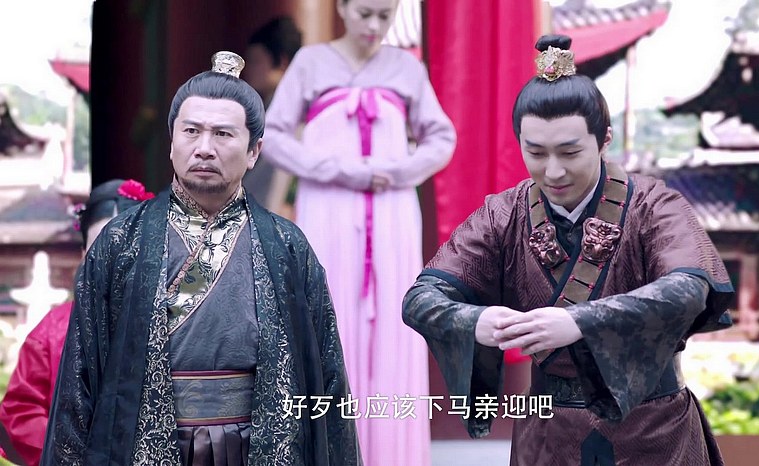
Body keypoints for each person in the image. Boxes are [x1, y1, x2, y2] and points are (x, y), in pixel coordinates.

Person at [402, 35, 735, 466]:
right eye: (536, 152)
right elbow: (421, 299)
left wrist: (580, 321)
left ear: (604, 139)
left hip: (653, 430)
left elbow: (688, 289)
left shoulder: (655, 206)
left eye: (570, 152)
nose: (553, 171)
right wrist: (476, 321)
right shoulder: (503, 214)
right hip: (547, 432)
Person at [42, 51, 360, 466]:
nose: (204, 148)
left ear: (254, 151)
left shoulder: (287, 246)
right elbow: (79, 377)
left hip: (257, 444)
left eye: (223, 134)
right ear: (172, 141)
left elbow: (327, 374)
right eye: (191, 131)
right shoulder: (121, 242)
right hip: (144, 445)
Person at [261, 1, 456, 465]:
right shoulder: (310, 63)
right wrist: (333, 168)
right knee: (326, 314)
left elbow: (441, 137)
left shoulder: (407, 68)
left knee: (394, 321)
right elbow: (273, 133)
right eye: (365, 13)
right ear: (343, 8)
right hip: (328, 206)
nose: (374, 25)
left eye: (385, 16)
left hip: (391, 210)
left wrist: (401, 169)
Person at [0, 178, 153, 466]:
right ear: (83, 255)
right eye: (100, 248)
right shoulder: (51, 331)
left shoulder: (179, 321)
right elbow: (20, 412)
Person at [241, 16, 302, 215]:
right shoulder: (266, 106)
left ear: (282, 61)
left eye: (256, 61)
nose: (249, 69)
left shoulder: (291, 110)